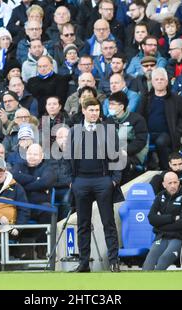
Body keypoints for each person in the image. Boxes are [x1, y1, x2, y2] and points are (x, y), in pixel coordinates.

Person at [69, 97, 124, 272]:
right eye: (91, 110)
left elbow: (117, 156)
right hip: (81, 181)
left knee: (108, 222)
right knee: (83, 224)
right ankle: (84, 263)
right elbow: (66, 158)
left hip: (103, 180)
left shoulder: (108, 131)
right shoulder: (74, 131)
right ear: (83, 111)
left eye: (97, 110)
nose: (94, 113)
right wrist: (71, 181)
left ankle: (114, 262)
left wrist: (114, 180)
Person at [137, 68, 182, 170]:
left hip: (168, 133)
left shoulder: (176, 99)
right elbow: (139, 116)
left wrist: (179, 130)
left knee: (161, 142)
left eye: (162, 79)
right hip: (148, 132)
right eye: (156, 79)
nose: (159, 82)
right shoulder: (146, 98)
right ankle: (144, 169)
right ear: (152, 82)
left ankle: (165, 169)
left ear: (166, 82)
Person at [142, 171, 182, 270]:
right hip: (162, 237)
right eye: (170, 183)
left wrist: (160, 223)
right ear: (164, 184)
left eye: (175, 182)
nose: (173, 185)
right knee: (149, 263)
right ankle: (144, 285)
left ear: (179, 182)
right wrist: (173, 218)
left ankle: (158, 285)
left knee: (163, 260)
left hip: (180, 238)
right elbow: (151, 218)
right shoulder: (160, 196)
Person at [105, 91, 148, 184]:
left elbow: (140, 141)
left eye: (113, 104)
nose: (110, 107)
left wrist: (124, 151)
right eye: (109, 104)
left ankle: (121, 188)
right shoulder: (108, 121)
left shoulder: (137, 119)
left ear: (121, 106)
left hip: (133, 155)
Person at [11, 143, 56, 223]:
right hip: (19, 205)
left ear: (41, 156)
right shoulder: (19, 166)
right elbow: (15, 176)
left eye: (35, 154)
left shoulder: (48, 167)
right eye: (29, 154)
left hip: (38, 205)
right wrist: (36, 179)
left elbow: (45, 183)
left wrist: (23, 186)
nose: (32, 156)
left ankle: (44, 235)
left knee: (47, 209)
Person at [0, 157, 29, 226]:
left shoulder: (16, 187)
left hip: (9, 229)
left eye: (1, 170)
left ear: (5, 170)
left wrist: (18, 228)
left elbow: (24, 210)